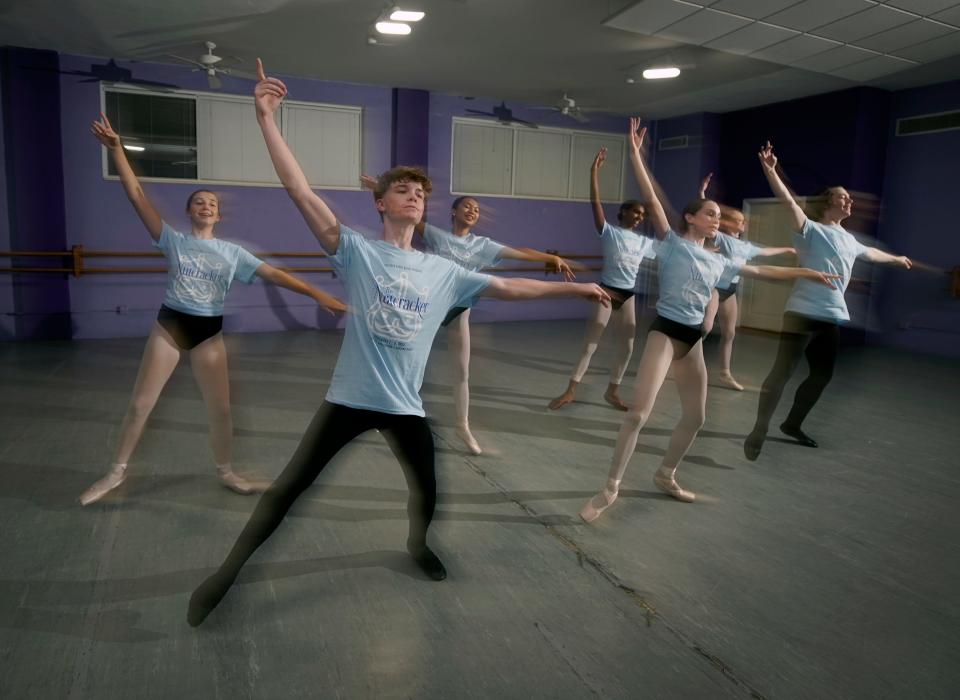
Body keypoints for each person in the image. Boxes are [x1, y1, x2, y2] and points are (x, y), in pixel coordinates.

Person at [186, 60, 610, 626]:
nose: (413, 196)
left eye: (419, 192)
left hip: (405, 405)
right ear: (381, 202)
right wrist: (265, 118)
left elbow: (509, 285)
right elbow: (300, 191)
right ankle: (226, 575)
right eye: (402, 190)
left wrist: (580, 287)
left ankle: (417, 545)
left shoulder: (443, 270)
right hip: (349, 400)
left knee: (428, 490)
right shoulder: (356, 251)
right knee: (287, 492)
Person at [79, 113, 346, 506]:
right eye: (199, 202)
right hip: (170, 326)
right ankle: (116, 472)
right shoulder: (172, 240)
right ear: (190, 212)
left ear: (218, 215)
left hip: (209, 333)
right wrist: (118, 150)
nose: (206, 206)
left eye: (212, 203)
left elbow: (276, 274)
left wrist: (317, 294)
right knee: (140, 404)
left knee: (220, 409)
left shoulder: (232, 253)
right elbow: (137, 195)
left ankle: (227, 472)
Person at [580, 120, 840, 522]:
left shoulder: (720, 258)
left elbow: (761, 273)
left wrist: (805, 272)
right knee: (638, 413)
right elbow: (652, 196)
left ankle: (666, 474)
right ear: (691, 218)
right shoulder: (671, 244)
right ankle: (611, 486)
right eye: (711, 213)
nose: (718, 219)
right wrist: (635, 153)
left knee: (697, 416)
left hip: (693, 342)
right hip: (666, 333)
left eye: (720, 215)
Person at [359, 177, 577, 454]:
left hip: (459, 310)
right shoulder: (438, 236)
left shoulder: (483, 245)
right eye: (467, 206)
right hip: (427, 307)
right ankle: (382, 411)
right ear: (454, 212)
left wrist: (549, 258)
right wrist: (377, 187)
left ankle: (462, 426)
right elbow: (403, 217)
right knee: (396, 359)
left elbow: (518, 252)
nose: (473, 211)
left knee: (462, 372)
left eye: (476, 209)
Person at [743, 142, 913, 460]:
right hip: (802, 313)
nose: (849, 200)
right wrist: (770, 169)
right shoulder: (810, 230)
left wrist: (896, 258)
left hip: (831, 316)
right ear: (827, 202)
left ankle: (792, 424)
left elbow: (871, 253)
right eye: (842, 195)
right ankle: (760, 427)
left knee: (822, 376)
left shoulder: (847, 238)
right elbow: (788, 201)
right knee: (782, 373)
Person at [549, 146, 656, 411]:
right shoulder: (609, 232)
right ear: (622, 213)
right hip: (606, 292)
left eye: (642, 215)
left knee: (628, 348)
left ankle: (613, 391)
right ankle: (571, 390)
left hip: (628, 296)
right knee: (591, 345)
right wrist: (593, 172)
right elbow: (595, 204)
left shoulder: (644, 242)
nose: (639, 217)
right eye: (635, 212)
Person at [697, 172, 795, 391]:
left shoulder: (746, 246)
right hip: (715, 288)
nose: (743, 223)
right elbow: (705, 213)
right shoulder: (720, 237)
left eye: (743, 221)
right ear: (728, 223)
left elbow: (766, 251)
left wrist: (788, 248)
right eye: (739, 220)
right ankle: (682, 358)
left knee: (730, 333)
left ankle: (724, 373)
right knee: (705, 326)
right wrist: (702, 193)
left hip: (730, 291)